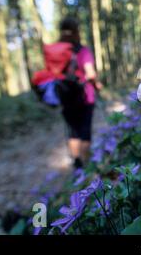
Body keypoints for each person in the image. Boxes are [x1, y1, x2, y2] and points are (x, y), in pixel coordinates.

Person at [50, 18, 102, 169]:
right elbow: (90, 74)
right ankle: (85, 166)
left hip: (66, 96)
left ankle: (77, 162)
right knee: (84, 130)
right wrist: (97, 85)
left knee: (73, 131)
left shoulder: (57, 52)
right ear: (77, 31)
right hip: (85, 96)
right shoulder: (82, 50)